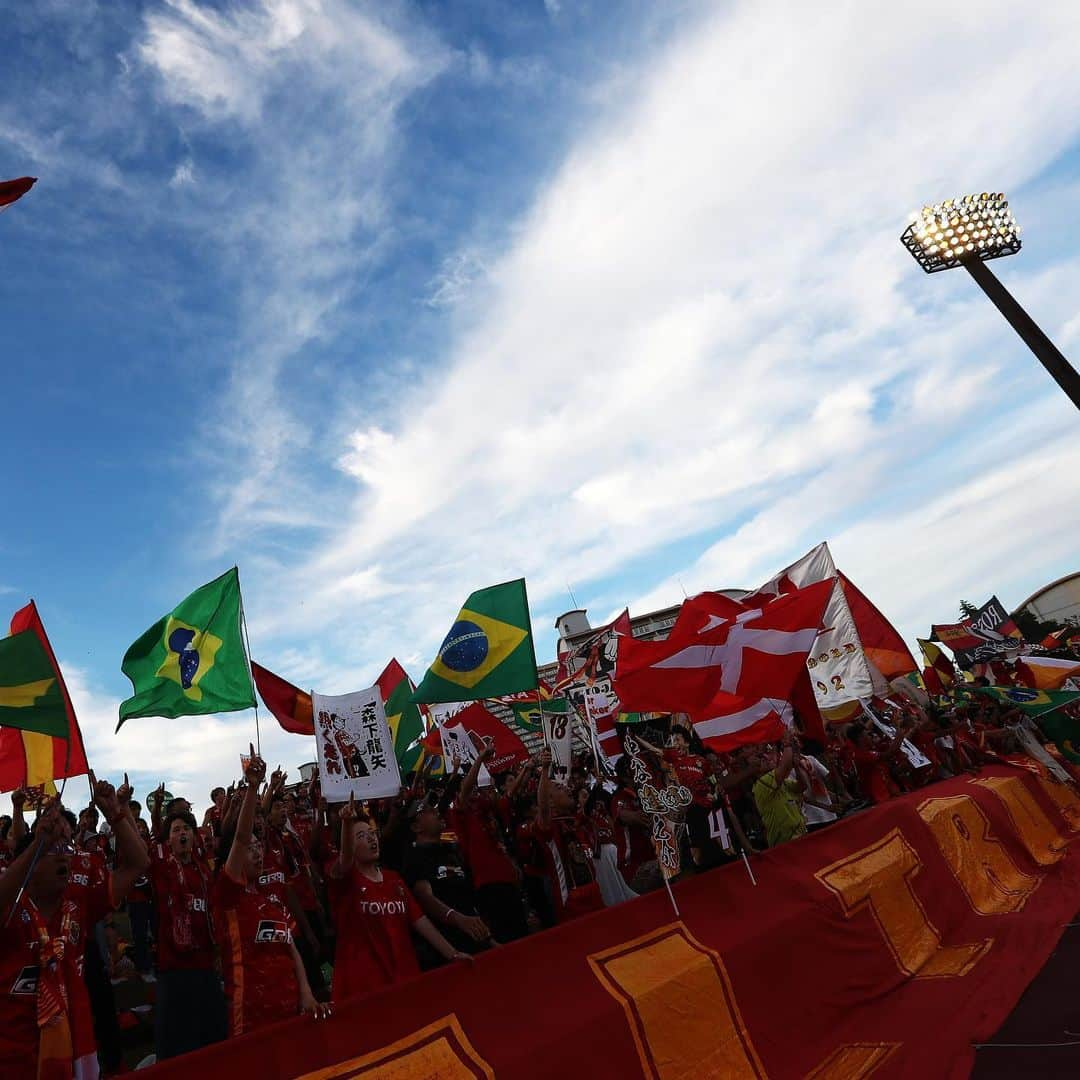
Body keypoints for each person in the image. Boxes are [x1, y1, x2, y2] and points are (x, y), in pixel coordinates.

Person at [0, 771, 149, 1079]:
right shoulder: (11, 909)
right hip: (14, 1059)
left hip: (74, 1054)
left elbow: (137, 864)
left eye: (67, 847)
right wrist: (38, 842)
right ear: (31, 860)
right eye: (52, 850)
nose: (64, 857)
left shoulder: (78, 904)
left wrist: (116, 814)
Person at [214, 748, 329, 1036]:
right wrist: (253, 787)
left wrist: (306, 994)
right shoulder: (229, 897)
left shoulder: (269, 899)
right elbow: (240, 838)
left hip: (290, 1009)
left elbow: (291, 948)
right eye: (249, 849)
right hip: (251, 1018)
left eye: (258, 847)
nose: (256, 852)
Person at [327, 793, 471, 1003]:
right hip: (365, 988)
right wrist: (347, 824)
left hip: (405, 978)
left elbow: (419, 920)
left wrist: (453, 954)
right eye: (361, 836)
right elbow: (345, 861)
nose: (370, 838)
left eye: (371, 833)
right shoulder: (344, 881)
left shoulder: (394, 880)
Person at [150, 804, 225, 1059]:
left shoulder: (204, 871)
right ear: (168, 839)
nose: (182, 833)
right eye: (175, 830)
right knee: (178, 1046)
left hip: (205, 966)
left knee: (214, 1040)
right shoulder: (161, 868)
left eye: (186, 829)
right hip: (174, 970)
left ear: (194, 836)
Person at [401, 798, 493, 968]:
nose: (436, 811)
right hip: (447, 955)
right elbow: (424, 897)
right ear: (416, 827)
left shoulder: (452, 852)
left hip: (477, 944)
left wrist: (489, 940)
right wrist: (457, 918)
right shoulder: (414, 857)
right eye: (427, 810)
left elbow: (468, 899)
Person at [451, 746, 529, 943]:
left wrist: (526, 770)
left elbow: (510, 794)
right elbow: (466, 789)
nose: (480, 790)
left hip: (510, 881)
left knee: (522, 936)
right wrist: (480, 760)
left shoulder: (491, 809)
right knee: (506, 939)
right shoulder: (463, 813)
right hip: (489, 885)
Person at [752, 731, 807, 847]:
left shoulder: (784, 782)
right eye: (761, 757)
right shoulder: (761, 784)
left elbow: (802, 786)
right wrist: (787, 742)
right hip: (784, 845)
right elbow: (785, 766)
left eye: (768, 753)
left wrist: (796, 765)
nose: (766, 758)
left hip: (801, 837)